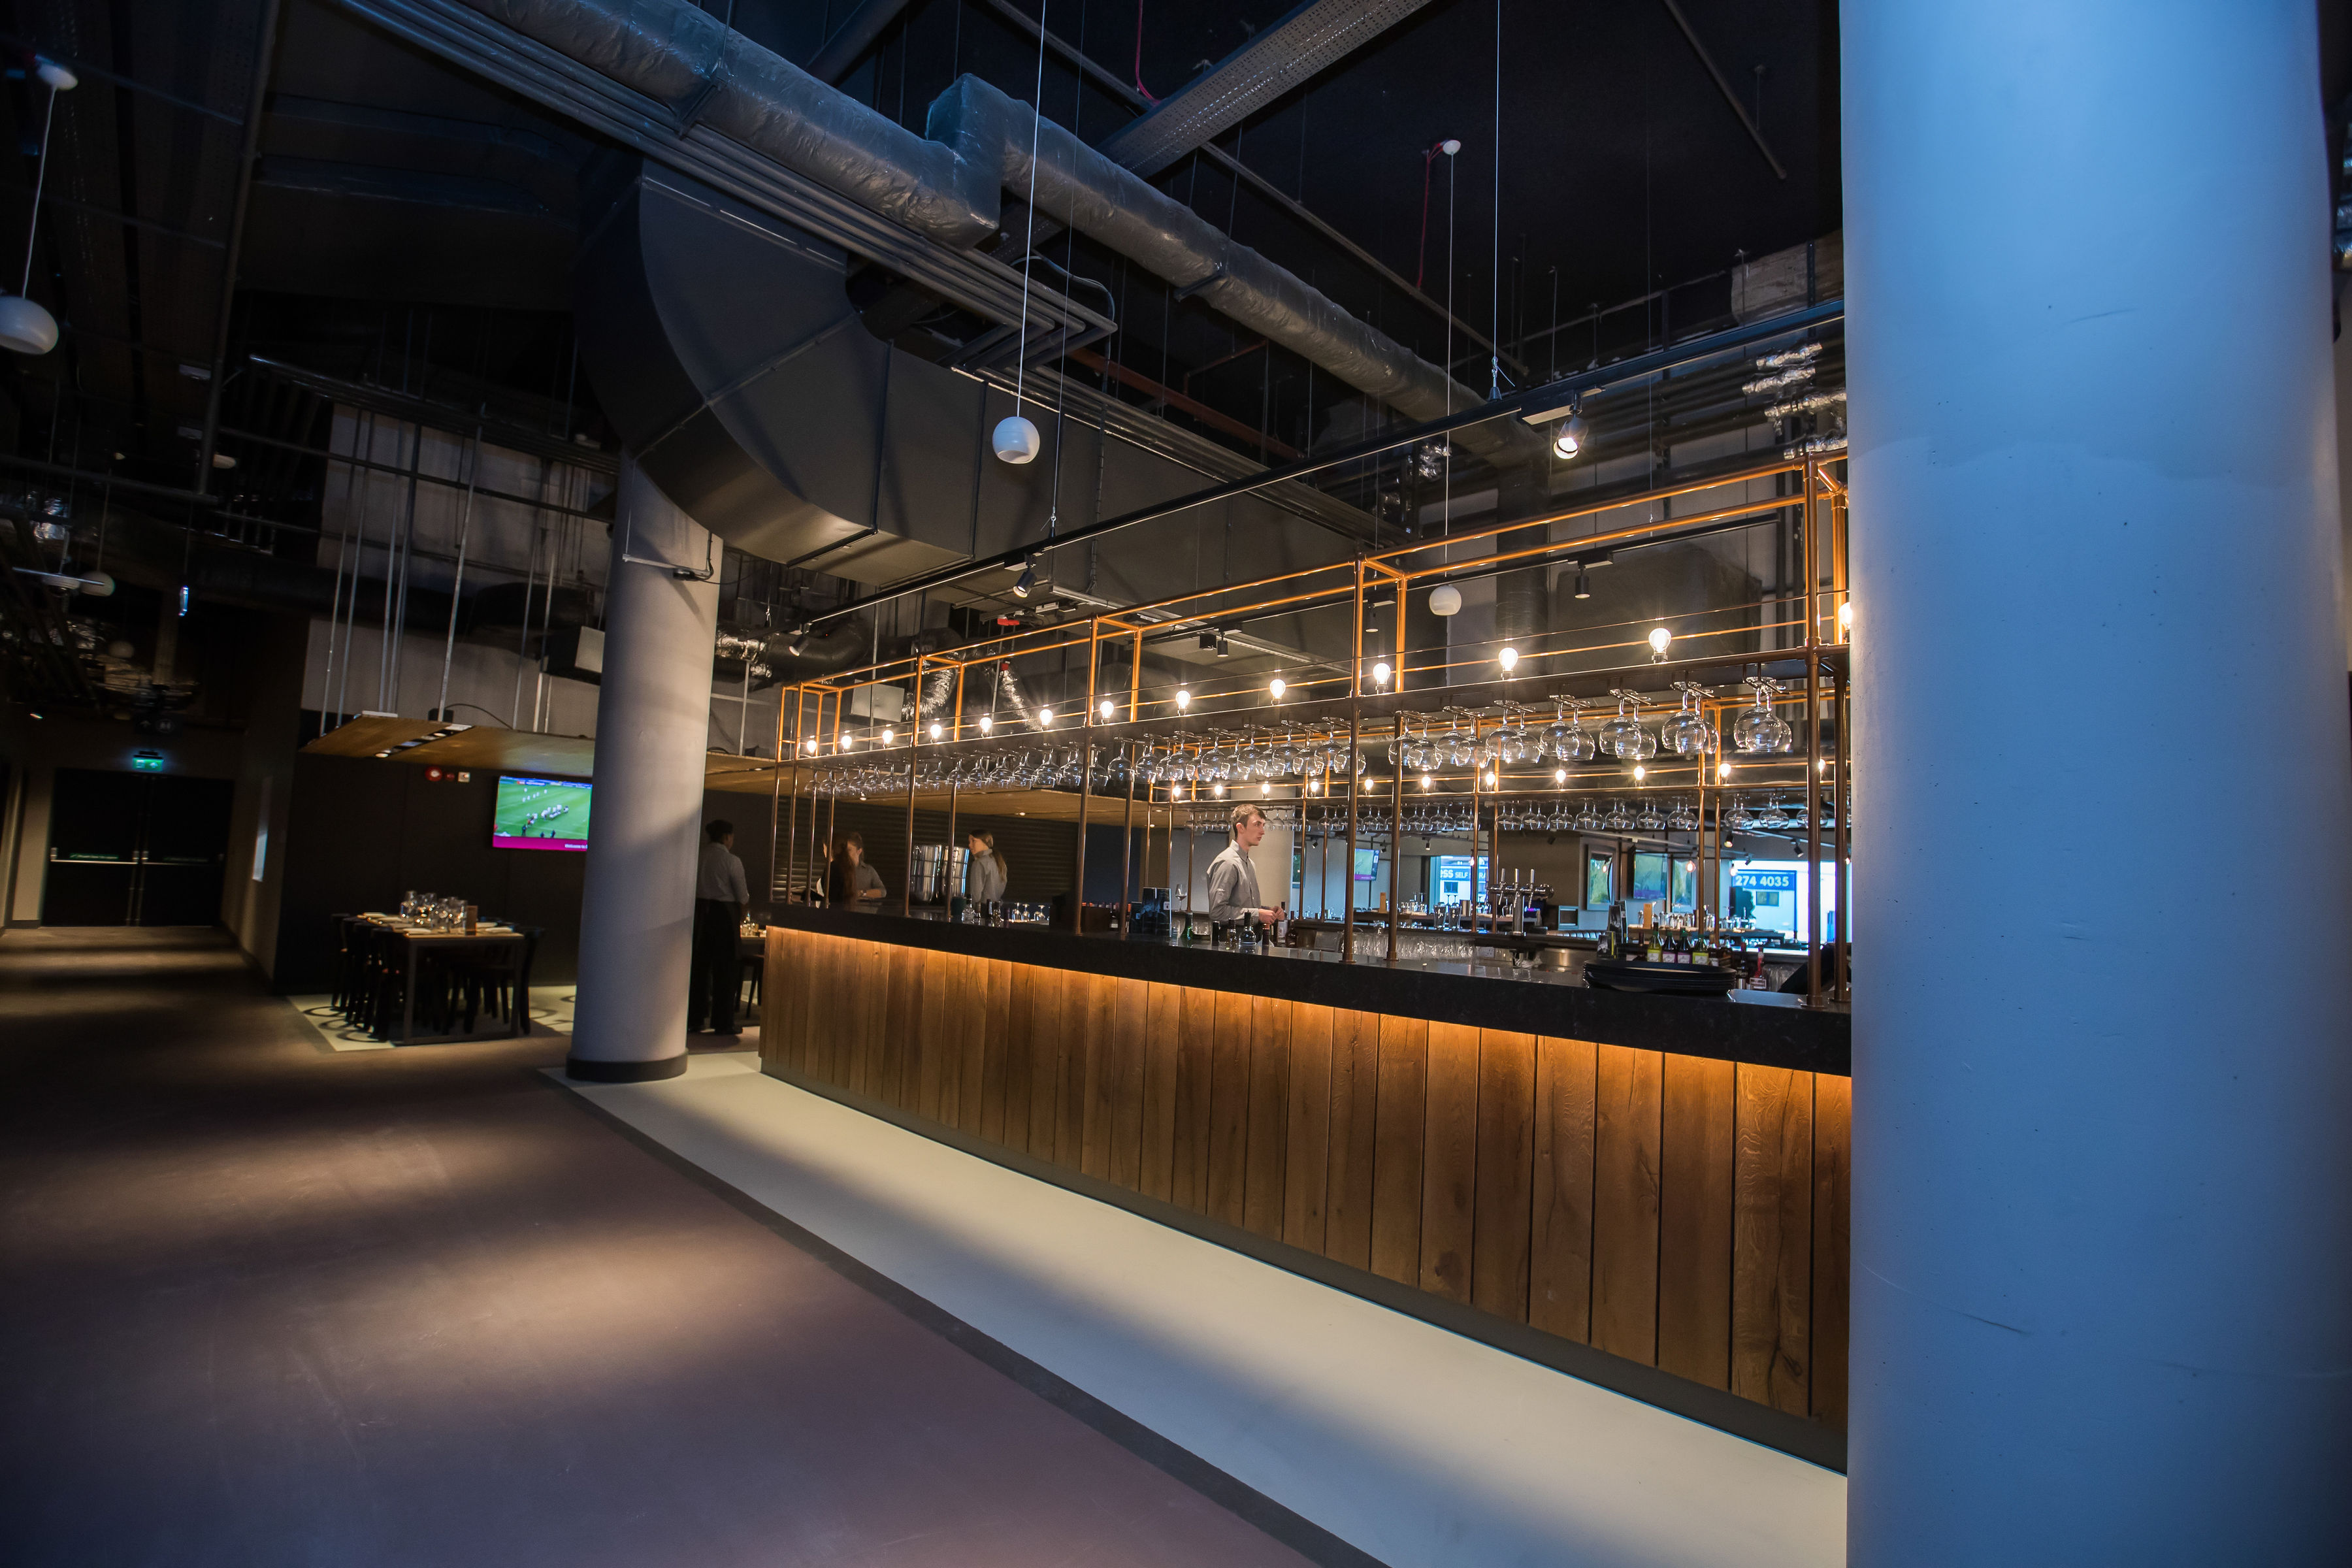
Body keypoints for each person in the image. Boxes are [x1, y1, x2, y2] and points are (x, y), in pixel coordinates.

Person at [688, 818, 749, 1036]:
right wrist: (741, 917)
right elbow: (742, 896)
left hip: (699, 915)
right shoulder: (731, 861)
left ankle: (694, 1020)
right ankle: (723, 1023)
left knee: (699, 970)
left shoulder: (698, 857)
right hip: (724, 916)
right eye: (731, 837)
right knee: (725, 971)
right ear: (726, 837)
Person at [1205, 803, 1284, 927]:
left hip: (1248, 939)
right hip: (1231, 942)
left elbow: (1244, 907)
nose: (1262, 831)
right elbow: (1217, 912)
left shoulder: (1249, 863)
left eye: (1263, 825)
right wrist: (1258, 914)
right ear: (1241, 828)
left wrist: (1268, 911)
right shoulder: (1228, 862)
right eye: (1257, 825)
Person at [826, 830, 887, 912]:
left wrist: (861, 893)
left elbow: (883, 892)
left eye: (849, 850)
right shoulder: (838, 870)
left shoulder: (869, 871)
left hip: (864, 917)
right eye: (845, 851)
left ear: (859, 851)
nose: (846, 854)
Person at [966, 828, 1007, 909]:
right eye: (969, 842)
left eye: (973, 841)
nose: (970, 845)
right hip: (997, 908)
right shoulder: (1000, 862)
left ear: (985, 840)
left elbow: (975, 896)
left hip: (982, 910)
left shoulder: (979, 863)